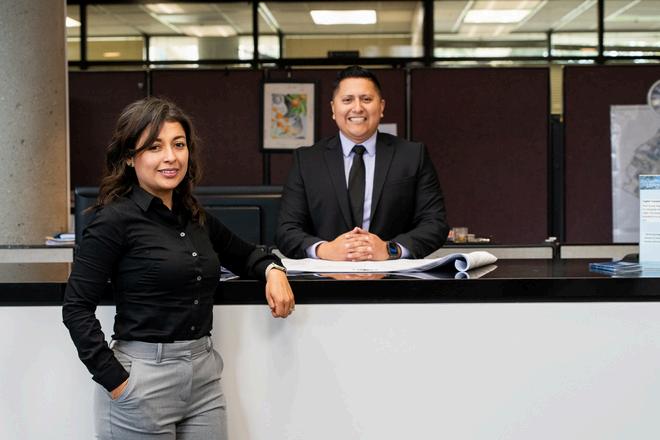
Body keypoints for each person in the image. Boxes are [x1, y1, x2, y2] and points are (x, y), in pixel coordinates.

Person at [62, 96, 294, 439]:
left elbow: (247, 255)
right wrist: (116, 381)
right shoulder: (113, 220)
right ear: (130, 157)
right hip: (142, 378)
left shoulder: (194, 216)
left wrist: (274, 271)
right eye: (155, 147)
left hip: (203, 378)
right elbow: (76, 308)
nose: (171, 157)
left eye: (179, 144)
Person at [276, 65, 449, 261]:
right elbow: (286, 230)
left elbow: (435, 224)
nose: (357, 108)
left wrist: (390, 249)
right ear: (333, 108)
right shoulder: (307, 160)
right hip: (324, 276)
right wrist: (325, 250)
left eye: (366, 99)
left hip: (394, 276)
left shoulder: (412, 155)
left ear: (381, 107)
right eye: (347, 100)